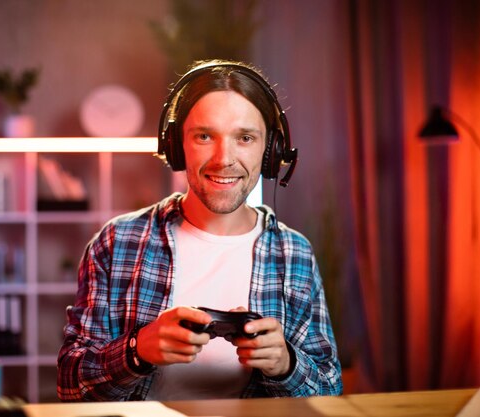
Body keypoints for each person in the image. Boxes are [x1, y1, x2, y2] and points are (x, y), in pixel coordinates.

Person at [57, 59, 342, 401]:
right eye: (205, 136)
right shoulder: (117, 242)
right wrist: (137, 351)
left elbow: (329, 389)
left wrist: (286, 364)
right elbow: (70, 386)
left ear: (271, 151)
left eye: (245, 138)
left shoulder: (294, 253)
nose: (225, 158)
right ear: (177, 147)